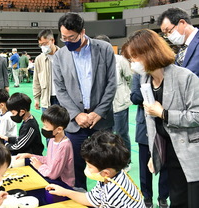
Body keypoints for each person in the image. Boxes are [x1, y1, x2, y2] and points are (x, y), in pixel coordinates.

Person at [122, 28, 199, 208]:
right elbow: (151, 122)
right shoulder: (145, 80)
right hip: (169, 154)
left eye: (135, 57)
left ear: (149, 53)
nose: (133, 63)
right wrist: (154, 153)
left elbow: (197, 115)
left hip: (190, 153)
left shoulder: (184, 77)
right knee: (178, 200)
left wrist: (164, 113)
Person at [53, 12, 116, 190]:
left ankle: (106, 199)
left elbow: (111, 83)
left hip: (101, 121)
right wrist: (76, 114)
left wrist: (99, 112)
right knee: (76, 168)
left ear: (82, 32)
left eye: (71, 37)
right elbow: (60, 89)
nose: (67, 41)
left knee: (104, 167)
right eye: (63, 37)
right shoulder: (60, 56)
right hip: (75, 123)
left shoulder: (103, 49)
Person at [46, 131, 145, 207]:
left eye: (89, 166)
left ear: (105, 172)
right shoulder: (108, 176)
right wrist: (65, 192)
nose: (87, 169)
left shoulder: (113, 192)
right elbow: (91, 199)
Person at [130, 74, 169, 208]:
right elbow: (134, 97)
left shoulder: (167, 73)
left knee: (166, 164)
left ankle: (163, 197)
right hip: (144, 125)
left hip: (165, 123)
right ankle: (147, 197)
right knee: (144, 165)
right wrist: (148, 95)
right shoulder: (138, 75)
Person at [95, 34, 133, 168]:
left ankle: (126, 161)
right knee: (106, 135)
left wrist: (124, 93)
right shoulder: (95, 62)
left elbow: (129, 78)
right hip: (103, 106)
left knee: (121, 134)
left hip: (119, 104)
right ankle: (109, 162)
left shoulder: (120, 60)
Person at [16, 105, 74, 187]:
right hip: (51, 175)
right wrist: (29, 155)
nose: (43, 128)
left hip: (62, 184)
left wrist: (39, 166)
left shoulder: (64, 146)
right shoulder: (52, 139)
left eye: (46, 126)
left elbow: (53, 174)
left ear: (59, 129)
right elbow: (49, 160)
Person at [157, 7, 199, 76]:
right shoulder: (181, 50)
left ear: (182, 23)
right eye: (165, 34)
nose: (169, 36)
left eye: (169, 31)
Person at [33, 29, 60, 111]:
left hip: (62, 99)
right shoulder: (39, 59)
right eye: (40, 45)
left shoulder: (64, 55)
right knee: (47, 123)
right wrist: (37, 98)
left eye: (45, 44)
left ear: (52, 40)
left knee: (63, 123)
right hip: (46, 100)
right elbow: (36, 80)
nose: (43, 47)